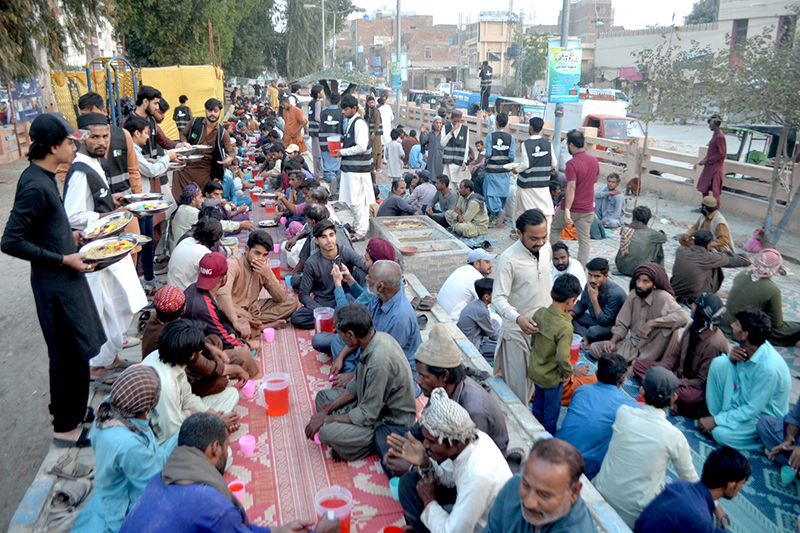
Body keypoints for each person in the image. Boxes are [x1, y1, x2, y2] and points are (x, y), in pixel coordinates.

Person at [1, 113, 106, 447]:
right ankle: (65, 427)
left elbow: (43, 229)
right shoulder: (34, 185)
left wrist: (69, 237)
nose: (74, 145)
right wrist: (62, 258)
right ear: (51, 146)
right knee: (69, 353)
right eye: (69, 141)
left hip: (64, 274)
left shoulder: (45, 176)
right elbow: (11, 241)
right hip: (55, 282)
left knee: (71, 349)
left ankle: (63, 409)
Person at [121, 413, 339, 533]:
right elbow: (225, 522)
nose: (227, 451)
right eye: (226, 446)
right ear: (215, 448)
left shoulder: (160, 478)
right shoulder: (212, 504)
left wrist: (277, 531)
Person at [63, 112, 148, 378]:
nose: (101, 142)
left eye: (104, 136)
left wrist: (114, 199)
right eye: (94, 137)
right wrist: (104, 216)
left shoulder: (95, 163)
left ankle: (110, 357)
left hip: (110, 246)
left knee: (122, 304)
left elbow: (96, 198)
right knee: (107, 308)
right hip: (96, 251)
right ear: (81, 138)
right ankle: (98, 365)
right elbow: (73, 216)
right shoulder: (79, 171)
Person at [376, 325, 509, 476]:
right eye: (418, 374)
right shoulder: (439, 391)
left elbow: (461, 462)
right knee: (384, 433)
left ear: (444, 375)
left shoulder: (474, 411)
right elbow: (422, 427)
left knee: (410, 480)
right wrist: (401, 448)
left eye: (424, 376)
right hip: (441, 444)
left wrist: (415, 465)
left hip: (470, 468)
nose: (418, 381)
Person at [389, 387, 512, 533]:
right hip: (469, 509)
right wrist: (425, 462)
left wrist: (429, 501)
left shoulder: (477, 475)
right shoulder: (469, 439)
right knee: (409, 482)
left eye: (431, 441)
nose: (425, 445)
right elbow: (448, 477)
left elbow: (453, 532)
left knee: (422, 496)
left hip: (484, 528)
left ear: (455, 442)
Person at [71, 365, 179, 533]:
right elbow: (152, 485)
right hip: (126, 505)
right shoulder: (129, 445)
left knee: (186, 433)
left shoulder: (110, 405)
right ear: (146, 407)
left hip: (121, 479)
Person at [304, 303, 417, 461]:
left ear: (350, 335)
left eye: (339, 333)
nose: (339, 337)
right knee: (323, 398)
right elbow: (356, 385)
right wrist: (327, 410)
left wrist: (326, 419)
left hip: (388, 421)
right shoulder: (372, 340)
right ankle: (346, 433)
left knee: (326, 432)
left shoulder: (379, 361)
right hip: (369, 403)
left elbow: (368, 414)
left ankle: (365, 444)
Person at [593, 366, 700, 528]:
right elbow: (690, 480)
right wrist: (715, 506)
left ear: (642, 391)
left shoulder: (623, 413)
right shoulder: (675, 436)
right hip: (635, 516)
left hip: (599, 494)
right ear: (673, 399)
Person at [698, 308, 792, 449]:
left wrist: (716, 421)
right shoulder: (744, 345)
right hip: (742, 398)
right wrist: (731, 359)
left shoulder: (769, 369)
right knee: (720, 363)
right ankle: (718, 417)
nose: (732, 326)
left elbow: (751, 409)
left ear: (745, 334)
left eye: (736, 324)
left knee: (720, 434)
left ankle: (760, 440)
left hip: (761, 417)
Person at [328, 261, 422, 391]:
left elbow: (385, 361)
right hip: (372, 351)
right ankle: (355, 380)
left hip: (392, 370)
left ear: (380, 286)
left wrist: (353, 376)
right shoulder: (378, 297)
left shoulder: (400, 318)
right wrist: (340, 357)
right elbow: (362, 332)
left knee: (369, 386)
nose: (366, 278)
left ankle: (355, 382)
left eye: (369, 277)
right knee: (338, 341)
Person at [143, 319, 240, 444]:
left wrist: (216, 417)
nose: (201, 353)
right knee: (225, 457)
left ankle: (217, 427)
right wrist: (214, 425)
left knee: (231, 394)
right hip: (160, 436)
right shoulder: (167, 386)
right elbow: (173, 435)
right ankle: (216, 431)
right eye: (200, 352)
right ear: (192, 356)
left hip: (180, 412)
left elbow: (187, 398)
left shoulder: (163, 355)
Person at [633, 293, 729, 419]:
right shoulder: (692, 326)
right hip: (679, 375)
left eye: (696, 305)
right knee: (640, 366)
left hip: (694, 388)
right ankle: (668, 399)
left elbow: (701, 382)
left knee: (686, 396)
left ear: (702, 313)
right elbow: (675, 357)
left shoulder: (714, 344)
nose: (692, 306)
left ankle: (666, 396)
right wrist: (660, 371)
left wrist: (672, 382)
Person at [493, 209, 553, 403]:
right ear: (519, 233)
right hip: (517, 332)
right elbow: (498, 298)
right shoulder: (508, 259)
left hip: (543, 330)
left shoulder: (546, 248)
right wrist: (518, 318)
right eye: (534, 238)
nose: (540, 242)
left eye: (544, 237)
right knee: (518, 390)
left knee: (540, 384)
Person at [483, 438, 597, 533]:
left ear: (574, 492)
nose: (529, 503)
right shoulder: (513, 486)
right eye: (526, 485)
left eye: (544, 495)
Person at [556, 353, 636, 479]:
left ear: (596, 374)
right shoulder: (628, 407)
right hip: (583, 466)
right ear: (623, 380)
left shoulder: (582, 390)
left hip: (556, 449)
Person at [634, 447, 750, 533]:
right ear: (731, 485)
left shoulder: (681, 486)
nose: (740, 488)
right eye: (742, 484)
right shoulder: (701, 519)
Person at [590, 263, 689, 364]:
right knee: (595, 349)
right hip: (633, 345)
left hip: (654, 349)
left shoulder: (663, 297)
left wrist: (652, 323)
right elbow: (622, 323)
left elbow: (683, 318)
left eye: (645, 281)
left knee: (638, 368)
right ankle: (633, 363)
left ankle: (637, 365)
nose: (639, 285)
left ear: (654, 285)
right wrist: (612, 341)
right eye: (638, 280)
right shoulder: (634, 295)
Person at [217, 230, 298, 341]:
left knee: (291, 303)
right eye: (257, 253)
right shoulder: (233, 264)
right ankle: (261, 326)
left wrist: (268, 275)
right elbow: (222, 294)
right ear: (247, 249)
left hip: (253, 309)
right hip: (233, 309)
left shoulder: (263, 268)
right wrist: (235, 320)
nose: (260, 258)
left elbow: (281, 298)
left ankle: (249, 325)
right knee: (223, 312)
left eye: (264, 255)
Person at [529, 274, 582, 435]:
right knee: (551, 414)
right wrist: (568, 373)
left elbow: (533, 341)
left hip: (536, 370)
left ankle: (533, 434)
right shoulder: (565, 326)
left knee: (538, 406)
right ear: (571, 301)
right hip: (552, 378)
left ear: (552, 293)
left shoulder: (540, 313)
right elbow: (562, 357)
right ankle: (546, 441)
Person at [291, 220, 366, 329]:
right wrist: (321, 310)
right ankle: (338, 319)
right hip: (324, 301)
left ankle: (334, 320)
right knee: (297, 318)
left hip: (345, 297)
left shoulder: (345, 251)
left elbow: (364, 264)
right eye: (324, 237)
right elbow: (303, 294)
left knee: (361, 272)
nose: (329, 240)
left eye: (331, 235)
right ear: (316, 241)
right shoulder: (312, 262)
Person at [720, 249, 800, 345]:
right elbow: (777, 323)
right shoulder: (773, 290)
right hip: (744, 329)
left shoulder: (742, 274)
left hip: (725, 323)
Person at [550, 130, 597, 266]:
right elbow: (595, 178)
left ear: (571, 145)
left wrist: (567, 209)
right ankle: (581, 269)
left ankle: (555, 261)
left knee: (555, 229)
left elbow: (571, 187)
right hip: (588, 208)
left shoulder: (572, 163)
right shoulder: (593, 160)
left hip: (572, 206)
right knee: (584, 241)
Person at [174, 98, 235, 199]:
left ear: (220, 112)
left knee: (199, 198)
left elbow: (230, 152)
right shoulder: (195, 122)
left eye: (215, 111)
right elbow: (183, 134)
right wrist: (184, 143)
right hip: (187, 166)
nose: (212, 114)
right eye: (210, 111)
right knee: (181, 195)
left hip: (204, 170)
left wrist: (230, 159)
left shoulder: (222, 132)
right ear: (206, 111)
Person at [338, 95, 375, 241]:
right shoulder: (350, 121)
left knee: (358, 201)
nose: (343, 112)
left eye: (346, 109)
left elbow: (361, 146)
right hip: (351, 168)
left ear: (354, 108)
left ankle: (361, 231)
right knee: (353, 200)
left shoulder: (359, 123)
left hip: (358, 169)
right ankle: (357, 225)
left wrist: (342, 152)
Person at [569, 257, 627, 345]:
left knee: (592, 332)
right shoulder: (590, 285)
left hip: (611, 326)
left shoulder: (615, 294)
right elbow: (582, 304)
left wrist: (594, 299)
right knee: (569, 317)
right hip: (594, 320)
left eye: (597, 276)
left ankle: (587, 335)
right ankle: (584, 336)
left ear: (606, 276)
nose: (592, 279)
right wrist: (569, 315)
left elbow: (604, 322)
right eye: (590, 275)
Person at [512, 117, 557, 230]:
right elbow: (554, 163)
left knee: (525, 212)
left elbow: (525, 164)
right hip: (543, 184)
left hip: (527, 185)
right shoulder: (548, 143)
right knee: (544, 211)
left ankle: (526, 233)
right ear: (541, 128)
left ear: (530, 127)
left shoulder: (526, 144)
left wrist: (515, 170)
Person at [670, 229, 729, 305]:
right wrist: (713, 251)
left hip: (675, 290)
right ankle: (709, 292)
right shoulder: (708, 257)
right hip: (695, 295)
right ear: (708, 244)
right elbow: (725, 259)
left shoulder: (680, 250)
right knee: (715, 266)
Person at [437, 249, 495, 322]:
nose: (491, 265)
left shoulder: (462, 270)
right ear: (476, 264)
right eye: (487, 262)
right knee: (496, 320)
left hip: (442, 313)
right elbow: (485, 308)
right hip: (454, 321)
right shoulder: (476, 278)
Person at [167, 218, 223, 291]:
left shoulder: (186, 240)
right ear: (215, 240)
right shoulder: (204, 254)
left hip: (171, 289)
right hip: (185, 294)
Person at [615, 205, 667, 276]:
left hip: (621, 267)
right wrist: (659, 231)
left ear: (634, 217)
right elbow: (664, 238)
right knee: (657, 242)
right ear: (647, 219)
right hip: (640, 270)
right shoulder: (652, 234)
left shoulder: (624, 229)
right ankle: (660, 267)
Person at [483, 112, 514, 229]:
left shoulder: (490, 136)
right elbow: (511, 156)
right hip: (505, 170)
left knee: (490, 193)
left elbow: (488, 154)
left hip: (492, 170)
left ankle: (498, 213)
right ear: (506, 123)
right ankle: (497, 217)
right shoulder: (511, 138)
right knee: (502, 193)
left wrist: (487, 159)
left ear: (496, 122)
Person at [457, 278, 500, 360]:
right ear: (486, 297)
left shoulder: (475, 303)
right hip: (473, 344)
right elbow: (492, 334)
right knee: (502, 348)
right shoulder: (482, 311)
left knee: (495, 322)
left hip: (475, 335)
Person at [759, 398, 800, 470]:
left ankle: (792, 463)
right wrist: (789, 440)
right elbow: (795, 418)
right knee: (764, 424)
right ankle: (794, 463)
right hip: (796, 442)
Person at [696, 114, 726, 206]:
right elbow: (712, 151)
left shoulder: (720, 136)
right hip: (709, 167)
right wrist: (705, 159)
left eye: (710, 124)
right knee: (704, 188)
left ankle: (715, 211)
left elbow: (722, 153)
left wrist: (708, 160)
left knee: (716, 192)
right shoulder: (715, 135)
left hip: (715, 168)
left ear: (715, 124)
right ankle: (705, 207)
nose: (709, 126)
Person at [440, 110, 470, 190]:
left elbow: (466, 146)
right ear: (451, 119)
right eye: (455, 121)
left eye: (458, 121)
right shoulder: (445, 128)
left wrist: (465, 161)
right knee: (449, 185)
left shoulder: (465, 129)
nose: (457, 123)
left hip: (460, 162)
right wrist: (452, 131)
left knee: (460, 185)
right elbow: (443, 143)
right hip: (449, 162)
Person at [308, 84, 323, 180]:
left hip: (312, 129)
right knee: (318, 152)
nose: (323, 93)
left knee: (315, 152)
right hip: (317, 130)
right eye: (322, 91)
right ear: (318, 93)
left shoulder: (310, 103)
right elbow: (318, 117)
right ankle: (319, 172)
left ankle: (317, 171)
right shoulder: (318, 103)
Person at [365, 95, 383, 172]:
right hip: (375, 133)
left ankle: (375, 167)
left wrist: (373, 133)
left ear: (375, 102)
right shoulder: (371, 111)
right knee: (377, 150)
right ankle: (377, 167)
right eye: (370, 103)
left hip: (375, 133)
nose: (371, 104)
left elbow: (377, 122)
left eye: (372, 102)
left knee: (375, 150)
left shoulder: (375, 111)